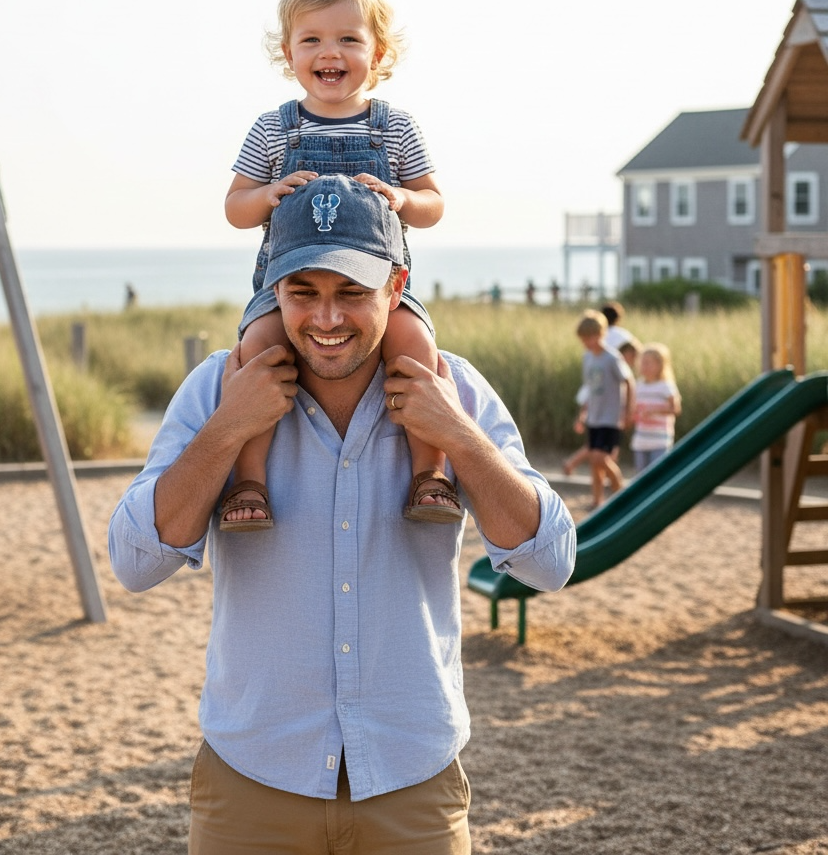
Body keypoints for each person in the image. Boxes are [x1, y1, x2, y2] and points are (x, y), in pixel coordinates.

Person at [109, 175, 576, 854]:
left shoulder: (455, 388)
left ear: (397, 284)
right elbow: (135, 563)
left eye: (352, 293)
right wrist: (228, 428)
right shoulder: (218, 385)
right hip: (251, 784)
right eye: (304, 293)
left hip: (412, 783)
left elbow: (549, 562)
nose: (326, 319)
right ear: (273, 290)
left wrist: (458, 437)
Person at [222, 0, 455, 530]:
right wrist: (268, 195)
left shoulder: (394, 128)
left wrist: (401, 197)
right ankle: (248, 478)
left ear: (378, 53)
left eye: (349, 39)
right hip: (292, 290)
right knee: (258, 346)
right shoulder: (274, 130)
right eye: (313, 40)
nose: (332, 52)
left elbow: (433, 203)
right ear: (289, 52)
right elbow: (235, 208)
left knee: (415, 344)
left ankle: (431, 472)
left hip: (375, 290)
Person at [575, 310, 635, 509]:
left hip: (610, 417)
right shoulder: (587, 358)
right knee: (595, 463)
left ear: (601, 334)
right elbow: (590, 389)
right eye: (583, 339)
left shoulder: (612, 357)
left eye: (589, 338)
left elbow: (629, 381)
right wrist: (582, 414)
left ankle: (620, 490)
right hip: (594, 416)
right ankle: (597, 500)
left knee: (600, 457)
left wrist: (628, 411)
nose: (586, 342)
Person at [631, 343, 681, 472]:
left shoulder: (666, 386)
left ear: (660, 365)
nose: (644, 366)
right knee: (641, 474)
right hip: (641, 438)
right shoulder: (639, 385)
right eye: (642, 363)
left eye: (648, 363)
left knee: (657, 473)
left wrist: (654, 411)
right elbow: (633, 407)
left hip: (660, 439)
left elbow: (675, 409)